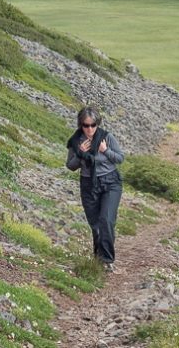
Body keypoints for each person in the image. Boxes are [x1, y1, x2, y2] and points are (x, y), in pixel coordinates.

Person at [66, 107, 125, 273]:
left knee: (106, 219)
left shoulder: (106, 137)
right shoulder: (75, 141)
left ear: (98, 124)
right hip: (88, 184)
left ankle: (107, 259)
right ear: (80, 125)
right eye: (86, 125)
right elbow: (70, 166)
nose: (90, 129)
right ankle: (98, 258)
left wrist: (105, 150)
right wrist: (80, 154)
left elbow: (120, 158)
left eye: (93, 125)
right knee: (96, 225)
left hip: (111, 182)